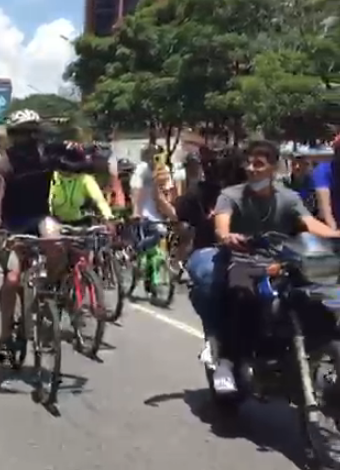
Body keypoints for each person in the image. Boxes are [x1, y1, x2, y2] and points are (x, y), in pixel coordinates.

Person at [209, 140, 339, 393]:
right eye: (248, 163)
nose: (252, 169)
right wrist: (228, 237)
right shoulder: (231, 195)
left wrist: (335, 235)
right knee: (241, 296)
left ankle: (311, 349)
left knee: (318, 298)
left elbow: (310, 223)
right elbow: (221, 225)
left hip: (282, 261)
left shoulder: (288, 198)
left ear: (274, 168)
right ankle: (227, 360)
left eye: (259, 164)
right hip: (244, 261)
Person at [0, 109, 65, 364]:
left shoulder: (46, 157)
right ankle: (5, 333)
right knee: (12, 280)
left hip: (40, 219)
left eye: (30, 133)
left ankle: (48, 290)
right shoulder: (4, 164)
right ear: (12, 137)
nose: (26, 139)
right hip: (11, 226)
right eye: (20, 134)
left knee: (56, 242)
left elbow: (77, 164)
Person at [176, 146, 245, 367]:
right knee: (209, 277)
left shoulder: (259, 191)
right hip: (211, 251)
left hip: (255, 249)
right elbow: (181, 219)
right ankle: (214, 340)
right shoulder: (198, 193)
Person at [130, 143, 177, 254]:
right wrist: (136, 211)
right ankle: (138, 250)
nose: (153, 159)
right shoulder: (141, 170)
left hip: (161, 216)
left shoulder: (164, 169)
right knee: (160, 233)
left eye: (156, 156)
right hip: (146, 216)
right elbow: (136, 190)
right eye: (150, 156)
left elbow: (167, 192)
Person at [49, 143, 113, 224]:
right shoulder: (52, 178)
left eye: (74, 170)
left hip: (80, 221)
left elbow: (99, 200)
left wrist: (108, 217)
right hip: (55, 223)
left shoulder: (85, 179)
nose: (70, 173)